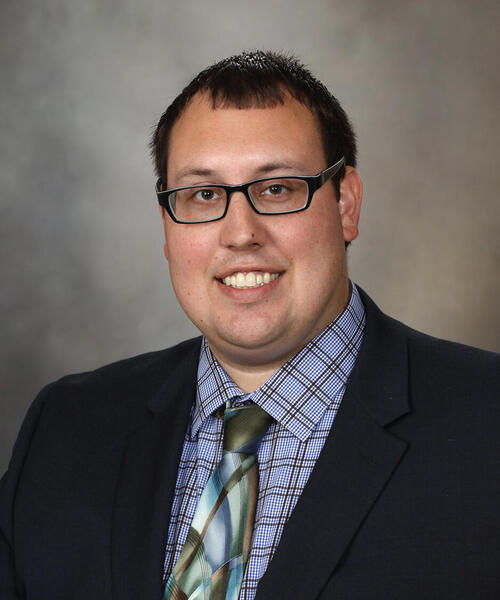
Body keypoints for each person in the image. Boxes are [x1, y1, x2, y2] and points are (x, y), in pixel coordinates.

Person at [0, 51, 498, 600]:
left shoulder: (485, 425)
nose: (241, 233)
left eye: (277, 188)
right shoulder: (66, 429)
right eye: (203, 194)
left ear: (346, 204)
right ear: (167, 226)